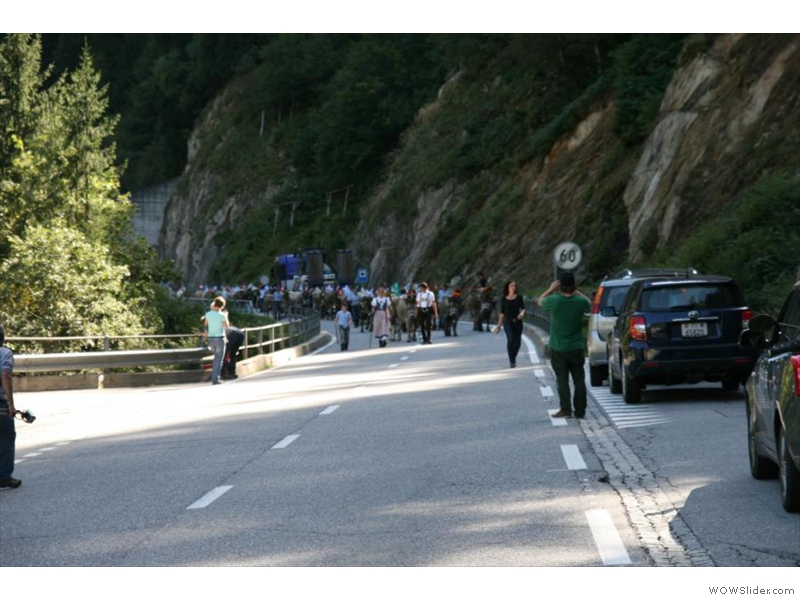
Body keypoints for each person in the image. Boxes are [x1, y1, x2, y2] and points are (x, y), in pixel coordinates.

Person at [537, 272, 592, 419]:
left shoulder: (554, 300)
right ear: (574, 285)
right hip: (576, 347)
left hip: (558, 348)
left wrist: (550, 289)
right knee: (579, 380)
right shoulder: (580, 302)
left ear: (560, 286)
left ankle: (566, 409)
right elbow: (590, 304)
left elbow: (539, 301)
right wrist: (577, 291)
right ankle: (580, 411)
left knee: (562, 380)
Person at [0, 325, 20, 489]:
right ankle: (4, 476)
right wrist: (10, 404)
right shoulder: (4, 353)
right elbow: (5, 374)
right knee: (6, 437)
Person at [494, 280, 526, 368]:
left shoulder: (519, 297)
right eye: (512, 285)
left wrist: (521, 314)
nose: (514, 287)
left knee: (517, 342)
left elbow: (523, 308)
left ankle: (513, 357)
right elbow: (502, 312)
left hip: (517, 321)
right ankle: (512, 361)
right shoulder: (504, 298)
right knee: (511, 339)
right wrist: (499, 326)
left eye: (515, 286)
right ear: (508, 287)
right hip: (507, 322)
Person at [203, 296, 230, 385]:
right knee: (219, 359)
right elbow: (226, 326)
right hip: (219, 338)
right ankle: (215, 379)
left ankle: (214, 377)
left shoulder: (208, 314)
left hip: (211, 339)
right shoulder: (222, 315)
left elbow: (206, 325)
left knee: (216, 358)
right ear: (222, 306)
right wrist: (226, 316)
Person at [222, 313, 245, 380]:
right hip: (240, 334)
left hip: (232, 335)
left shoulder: (222, 330)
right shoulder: (227, 327)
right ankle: (232, 372)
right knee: (233, 354)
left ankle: (223, 373)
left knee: (224, 354)